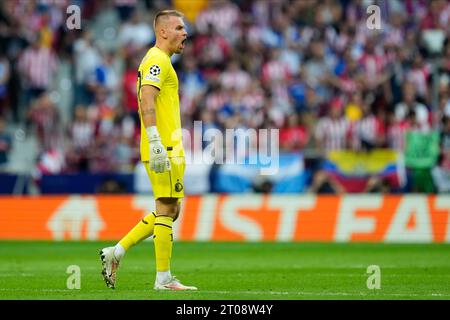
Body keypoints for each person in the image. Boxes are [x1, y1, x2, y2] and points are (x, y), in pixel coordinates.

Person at [99, 10, 196, 291]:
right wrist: (154, 141)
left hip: (168, 145)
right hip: (163, 146)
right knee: (166, 208)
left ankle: (116, 251)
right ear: (163, 31)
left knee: (170, 209)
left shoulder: (162, 60)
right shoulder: (156, 59)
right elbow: (146, 97)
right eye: (179, 27)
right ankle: (163, 278)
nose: (184, 33)